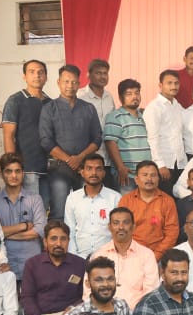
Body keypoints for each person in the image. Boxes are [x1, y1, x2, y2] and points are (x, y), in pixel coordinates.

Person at [20, 220, 86, 315]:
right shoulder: (32, 264)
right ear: (45, 241)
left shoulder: (80, 264)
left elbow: (86, 295)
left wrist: (73, 309)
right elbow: (27, 297)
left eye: (63, 239)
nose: (58, 243)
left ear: (68, 241)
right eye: (53, 239)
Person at [40, 64, 103, 220]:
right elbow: (46, 141)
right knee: (59, 212)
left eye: (74, 82)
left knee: (87, 211)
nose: (70, 85)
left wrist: (79, 158)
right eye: (66, 81)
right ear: (58, 82)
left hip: (85, 169)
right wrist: (69, 160)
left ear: (79, 83)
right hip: (58, 168)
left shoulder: (88, 108)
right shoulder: (49, 108)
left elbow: (97, 139)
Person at [0, 153, 46, 280]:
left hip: (32, 264)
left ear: (23, 173)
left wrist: (4, 234)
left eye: (17, 171)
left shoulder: (35, 199)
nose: (14, 175)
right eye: (9, 171)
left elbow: (39, 231)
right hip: (3, 265)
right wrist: (23, 226)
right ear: (2, 174)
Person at [89, 207, 161, 311]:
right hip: (104, 314)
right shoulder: (98, 255)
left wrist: (137, 313)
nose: (121, 227)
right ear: (109, 227)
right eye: (116, 223)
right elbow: (89, 290)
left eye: (126, 223)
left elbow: (151, 292)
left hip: (137, 314)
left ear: (133, 227)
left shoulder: (147, 255)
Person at [2, 59, 51, 202]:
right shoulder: (15, 100)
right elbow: (9, 135)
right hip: (27, 168)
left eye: (41, 72)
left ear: (46, 77)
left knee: (44, 209)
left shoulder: (50, 103)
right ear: (24, 76)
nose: (37, 75)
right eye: (32, 72)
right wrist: (12, 167)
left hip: (49, 169)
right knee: (29, 208)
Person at [117, 160, 179, 261]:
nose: (149, 179)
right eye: (145, 175)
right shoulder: (126, 200)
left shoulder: (167, 201)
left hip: (159, 256)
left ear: (158, 179)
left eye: (153, 175)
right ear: (136, 179)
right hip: (131, 255)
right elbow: (120, 230)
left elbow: (172, 233)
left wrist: (155, 256)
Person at [65, 153, 121, 258]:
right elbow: (69, 230)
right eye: (89, 168)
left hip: (108, 257)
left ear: (103, 173)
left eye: (98, 169)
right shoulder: (72, 198)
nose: (94, 173)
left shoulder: (115, 198)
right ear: (82, 172)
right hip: (80, 257)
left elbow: (118, 231)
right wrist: (74, 258)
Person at [143, 69, 187, 197]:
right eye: (169, 83)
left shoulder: (177, 106)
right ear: (160, 85)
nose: (174, 86)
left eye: (176, 83)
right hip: (164, 165)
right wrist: (160, 164)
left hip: (179, 163)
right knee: (163, 200)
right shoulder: (154, 107)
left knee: (178, 200)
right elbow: (152, 138)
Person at [104, 78, 151, 193]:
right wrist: (120, 167)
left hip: (146, 176)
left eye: (137, 93)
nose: (134, 96)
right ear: (121, 98)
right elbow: (110, 143)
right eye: (129, 94)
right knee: (127, 204)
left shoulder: (145, 116)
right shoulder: (115, 116)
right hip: (127, 175)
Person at [77, 58, 117, 188]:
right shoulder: (80, 96)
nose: (102, 76)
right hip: (87, 158)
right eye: (98, 73)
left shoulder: (109, 97)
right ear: (89, 75)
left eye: (105, 73)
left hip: (107, 158)